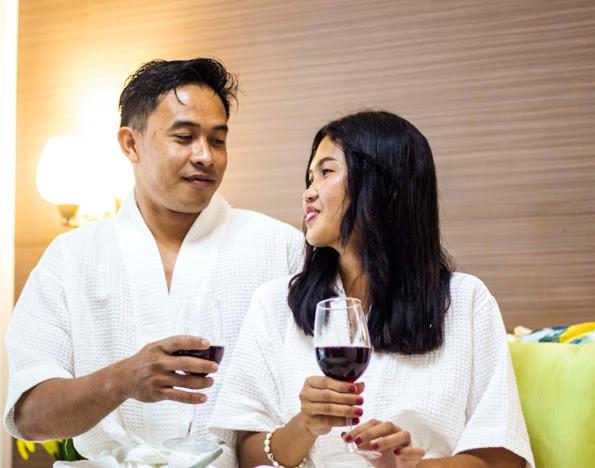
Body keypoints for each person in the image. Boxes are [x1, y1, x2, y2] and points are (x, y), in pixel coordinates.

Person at [4, 58, 303, 466]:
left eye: (218, 140)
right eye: (184, 137)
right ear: (131, 144)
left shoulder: (280, 248)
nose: (205, 156)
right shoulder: (71, 256)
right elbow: (29, 417)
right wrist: (123, 379)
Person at [209, 110, 535, 468]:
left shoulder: (464, 302)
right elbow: (247, 453)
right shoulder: (274, 304)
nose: (308, 193)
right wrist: (304, 426)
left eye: (326, 172)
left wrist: (411, 467)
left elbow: (504, 458)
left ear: (384, 187)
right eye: (309, 177)